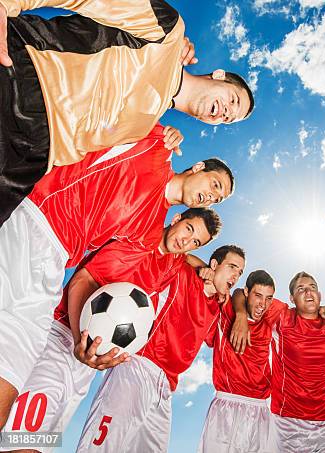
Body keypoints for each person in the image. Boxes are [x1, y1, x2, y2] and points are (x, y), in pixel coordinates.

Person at [0, 125, 231, 429]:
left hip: (89, 355)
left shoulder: (159, 245)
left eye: (218, 198)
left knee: (37, 442)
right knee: (20, 438)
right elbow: (87, 277)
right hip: (47, 265)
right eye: (214, 184)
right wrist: (167, 124)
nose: (211, 195)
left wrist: (211, 272)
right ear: (198, 167)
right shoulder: (156, 154)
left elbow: (182, 253)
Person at [0, 0, 255, 225]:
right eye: (232, 101)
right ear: (219, 76)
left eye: (228, 119)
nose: (225, 112)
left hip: (29, 164)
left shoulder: (143, 130)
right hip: (24, 80)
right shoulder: (170, 32)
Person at [2, 230, 220, 446]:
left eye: (196, 242)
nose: (187, 241)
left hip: (87, 364)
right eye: (189, 230)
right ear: (176, 219)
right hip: (61, 336)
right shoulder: (135, 239)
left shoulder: (172, 262)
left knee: (41, 442)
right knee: (20, 440)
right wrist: (80, 339)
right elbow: (82, 278)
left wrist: (202, 268)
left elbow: (186, 256)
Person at [73, 245, 245, 452]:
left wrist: (241, 315)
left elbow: (240, 296)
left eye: (240, 272)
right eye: (232, 267)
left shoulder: (218, 307)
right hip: (137, 367)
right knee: (104, 445)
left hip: (166, 388)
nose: (236, 275)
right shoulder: (182, 274)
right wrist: (200, 266)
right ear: (215, 264)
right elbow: (174, 249)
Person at [232, 272, 325, 453]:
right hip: (288, 424)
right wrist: (240, 316)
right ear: (292, 298)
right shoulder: (282, 316)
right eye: (301, 289)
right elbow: (242, 293)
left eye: (312, 288)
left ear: (319, 295)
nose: (308, 292)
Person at [198, 269, 284, 453]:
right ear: (246, 292)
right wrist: (240, 315)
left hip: (260, 407)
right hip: (226, 403)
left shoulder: (273, 312)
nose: (263, 304)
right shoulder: (227, 307)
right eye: (258, 295)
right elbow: (232, 292)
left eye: (269, 298)